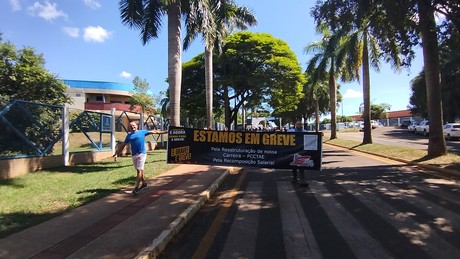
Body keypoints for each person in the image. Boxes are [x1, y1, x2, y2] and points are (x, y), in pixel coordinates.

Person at [113, 122, 167, 194]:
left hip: (142, 154)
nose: (132, 127)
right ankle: (144, 184)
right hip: (134, 155)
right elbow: (123, 145)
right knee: (139, 171)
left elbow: (155, 131)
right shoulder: (129, 136)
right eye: (131, 126)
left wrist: (166, 131)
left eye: (133, 125)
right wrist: (116, 153)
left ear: (137, 126)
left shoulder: (142, 132)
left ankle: (136, 187)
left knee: (139, 170)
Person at [288, 120, 307, 186]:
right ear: (295, 125)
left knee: (301, 165)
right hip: (293, 151)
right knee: (294, 166)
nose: (300, 125)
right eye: (298, 124)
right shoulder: (290, 131)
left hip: (302, 151)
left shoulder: (305, 132)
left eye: (300, 124)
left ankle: (302, 180)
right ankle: (295, 178)